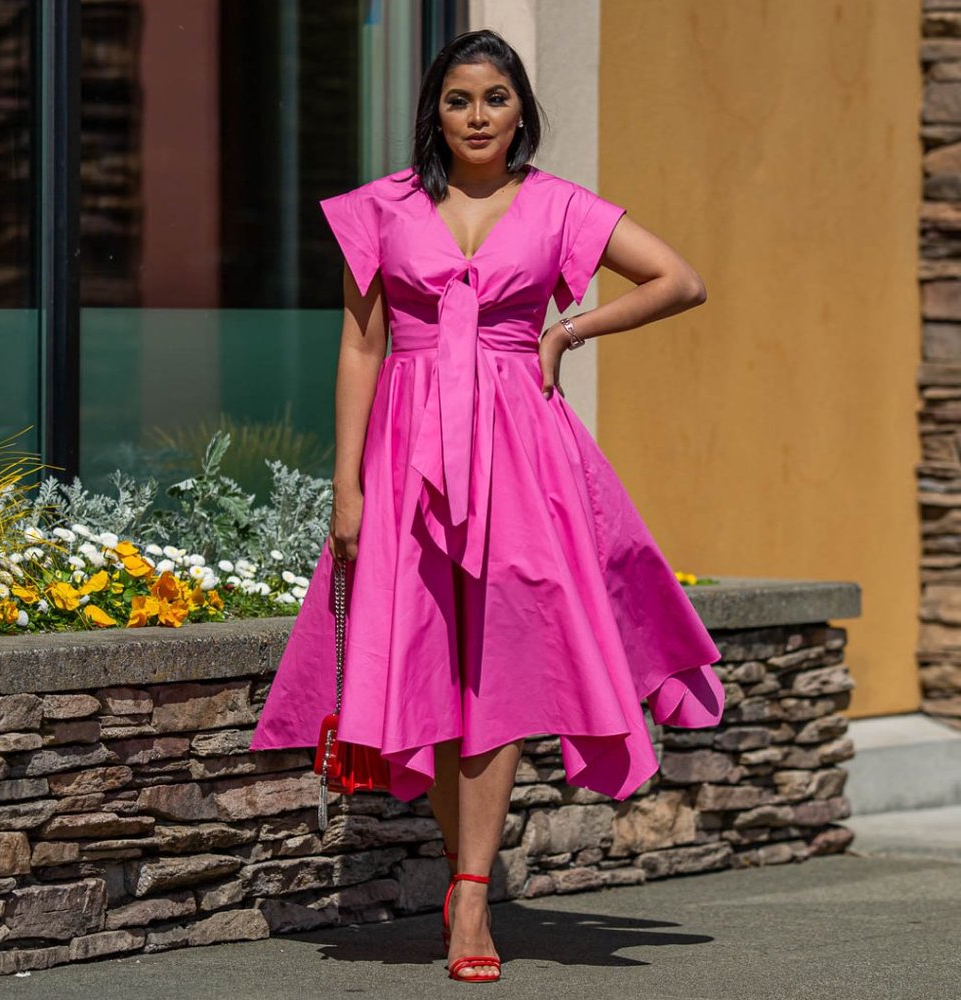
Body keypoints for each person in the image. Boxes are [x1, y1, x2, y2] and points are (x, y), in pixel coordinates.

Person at [250, 28, 726, 985]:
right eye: (459, 99)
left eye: (495, 99)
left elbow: (681, 280)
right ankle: (460, 875)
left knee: (501, 670)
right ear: (436, 108)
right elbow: (360, 347)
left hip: (519, 456)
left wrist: (567, 332)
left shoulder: (557, 206)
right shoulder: (383, 208)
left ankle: (469, 892)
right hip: (405, 455)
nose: (476, 116)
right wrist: (344, 486)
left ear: (521, 112)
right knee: (422, 665)